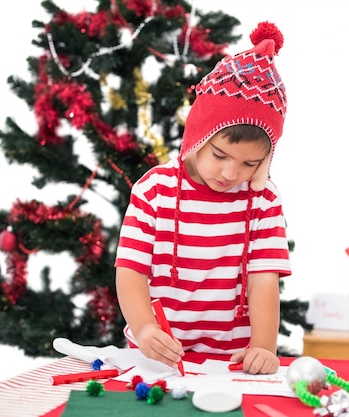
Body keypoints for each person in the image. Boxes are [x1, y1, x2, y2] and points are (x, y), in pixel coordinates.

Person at [115, 21, 290, 375]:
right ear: (198, 134)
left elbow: (263, 280)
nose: (230, 174)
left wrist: (263, 346)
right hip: (157, 358)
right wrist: (146, 328)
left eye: (249, 163)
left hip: (230, 363)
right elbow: (131, 271)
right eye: (220, 155)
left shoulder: (263, 200)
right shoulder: (154, 190)